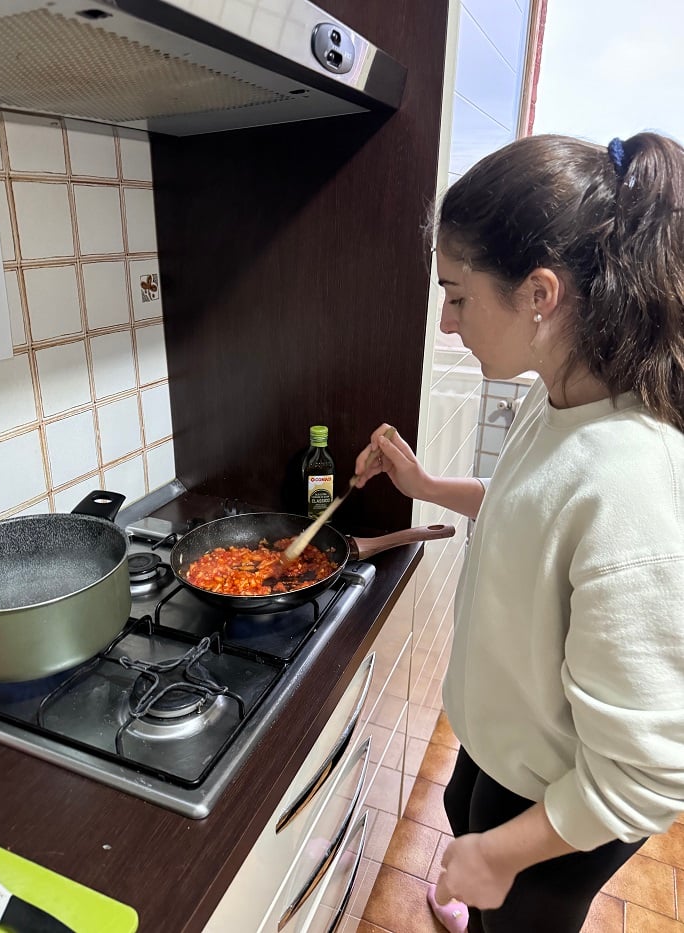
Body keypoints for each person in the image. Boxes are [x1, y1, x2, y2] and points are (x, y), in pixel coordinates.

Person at [353, 132, 684, 933]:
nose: (445, 318)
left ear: (539, 293)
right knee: (463, 801)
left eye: (459, 294)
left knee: (523, 912)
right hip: (513, 745)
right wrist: (428, 487)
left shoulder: (634, 485)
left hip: (565, 803)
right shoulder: (561, 390)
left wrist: (501, 856)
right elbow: (528, 507)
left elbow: (646, 776)